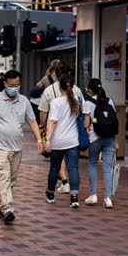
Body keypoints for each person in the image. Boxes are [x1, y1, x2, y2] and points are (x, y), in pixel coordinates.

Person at [0, 70, 42, 224]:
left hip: (17, 146)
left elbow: (32, 121)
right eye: (11, 85)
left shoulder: (24, 101)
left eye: (17, 85)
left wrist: (39, 140)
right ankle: (8, 208)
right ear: (5, 84)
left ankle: (3, 207)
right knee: (5, 175)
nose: (14, 88)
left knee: (12, 178)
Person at [37, 59, 82, 194]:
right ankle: (72, 192)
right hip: (73, 136)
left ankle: (60, 185)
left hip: (55, 135)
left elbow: (43, 112)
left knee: (55, 164)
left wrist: (42, 127)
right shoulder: (77, 90)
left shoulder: (50, 90)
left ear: (55, 74)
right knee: (73, 166)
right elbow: (83, 112)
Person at [44, 72, 87, 209]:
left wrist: (48, 139)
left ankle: (50, 194)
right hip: (73, 141)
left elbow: (53, 122)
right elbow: (85, 118)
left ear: (59, 87)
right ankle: (74, 197)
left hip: (57, 142)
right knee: (73, 168)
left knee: (55, 168)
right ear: (72, 86)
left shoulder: (56, 102)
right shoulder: (79, 100)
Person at [84, 78, 119, 209]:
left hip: (95, 138)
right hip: (110, 137)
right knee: (107, 167)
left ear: (89, 90)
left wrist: (87, 132)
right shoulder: (109, 101)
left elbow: (86, 124)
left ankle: (93, 195)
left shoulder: (88, 103)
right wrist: (116, 140)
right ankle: (108, 198)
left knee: (93, 164)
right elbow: (114, 121)